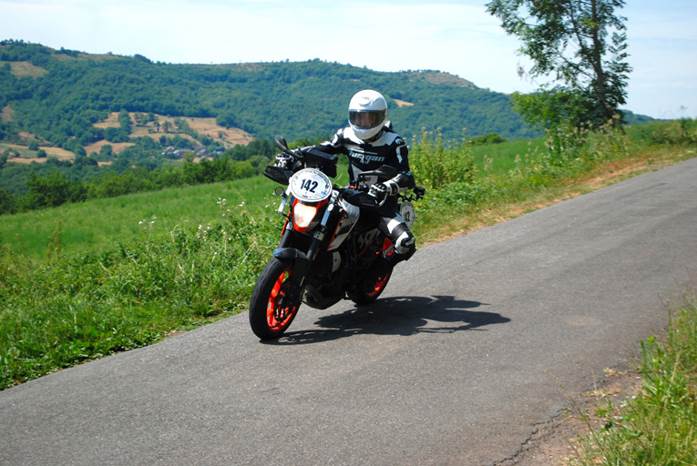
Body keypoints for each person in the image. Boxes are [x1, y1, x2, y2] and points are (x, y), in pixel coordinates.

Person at [318, 89, 417, 266]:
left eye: (369, 118)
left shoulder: (394, 142)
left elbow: (406, 176)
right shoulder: (345, 135)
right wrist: (295, 154)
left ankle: (376, 270)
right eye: (359, 117)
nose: (363, 123)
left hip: (381, 205)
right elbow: (322, 149)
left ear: (381, 117)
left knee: (406, 242)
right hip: (351, 196)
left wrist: (386, 187)